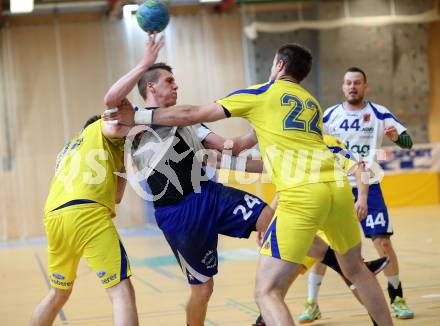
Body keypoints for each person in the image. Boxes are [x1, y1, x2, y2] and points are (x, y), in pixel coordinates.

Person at [105, 42, 394, 325]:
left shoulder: (197, 119)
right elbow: (111, 100)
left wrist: (260, 123)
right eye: (170, 80)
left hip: (214, 194)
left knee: (267, 254)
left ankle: (310, 282)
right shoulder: (128, 123)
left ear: (279, 66)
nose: (177, 85)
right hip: (179, 210)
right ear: (151, 86)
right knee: (203, 290)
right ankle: (349, 272)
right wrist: (144, 63)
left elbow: (233, 143)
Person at [297, 67, 414, 322]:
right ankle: (311, 303)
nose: (352, 87)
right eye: (348, 82)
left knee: (382, 242)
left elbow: (407, 141)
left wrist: (398, 138)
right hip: (335, 187)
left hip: (368, 186)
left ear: (365, 87)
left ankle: (397, 297)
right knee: (325, 247)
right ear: (343, 86)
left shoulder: (379, 113)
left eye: (357, 83)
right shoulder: (329, 116)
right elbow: (313, 144)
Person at [30, 107, 138, 326]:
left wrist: (120, 161)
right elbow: (116, 125)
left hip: (54, 216)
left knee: (58, 294)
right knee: (121, 292)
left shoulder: (68, 150)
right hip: (86, 212)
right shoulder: (100, 128)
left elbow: (115, 197)